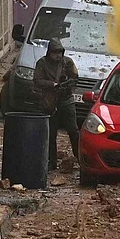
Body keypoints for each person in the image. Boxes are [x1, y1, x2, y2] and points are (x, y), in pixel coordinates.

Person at [32, 40, 82, 170]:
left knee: (73, 130)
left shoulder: (67, 62)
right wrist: (52, 85)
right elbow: (37, 80)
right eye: (54, 52)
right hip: (50, 101)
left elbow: (75, 78)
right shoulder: (42, 63)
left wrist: (66, 86)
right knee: (51, 132)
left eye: (59, 52)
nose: (57, 55)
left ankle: (80, 157)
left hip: (66, 100)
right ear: (49, 52)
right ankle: (51, 161)